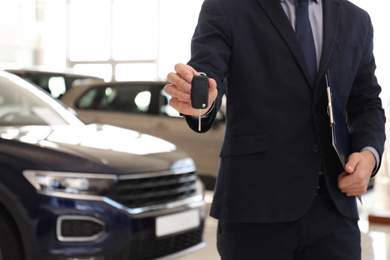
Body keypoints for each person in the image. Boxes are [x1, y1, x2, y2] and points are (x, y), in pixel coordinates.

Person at [164, 0, 386, 259]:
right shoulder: (227, 7)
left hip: (335, 208)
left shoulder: (356, 18)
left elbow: (366, 102)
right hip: (255, 208)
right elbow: (208, 72)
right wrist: (200, 99)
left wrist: (369, 155)